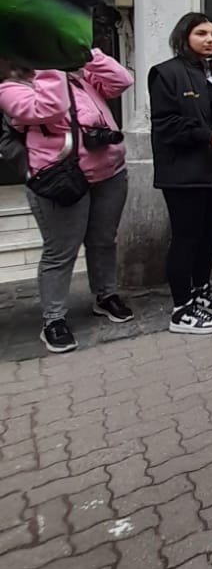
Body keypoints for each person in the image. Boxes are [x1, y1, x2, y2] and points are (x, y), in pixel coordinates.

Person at [0, 48, 134, 353]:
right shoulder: (10, 89)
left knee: (103, 240)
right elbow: (49, 108)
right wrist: (51, 62)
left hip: (109, 173)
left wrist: (86, 52)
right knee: (61, 251)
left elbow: (122, 80)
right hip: (61, 180)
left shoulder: (80, 77)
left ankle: (105, 295)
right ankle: (54, 319)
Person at [148, 14, 212, 335]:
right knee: (186, 237)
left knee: (208, 232)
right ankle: (180, 309)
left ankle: (201, 289)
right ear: (184, 36)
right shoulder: (166, 74)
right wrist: (210, 137)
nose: (209, 39)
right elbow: (166, 125)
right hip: (184, 171)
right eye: (201, 33)